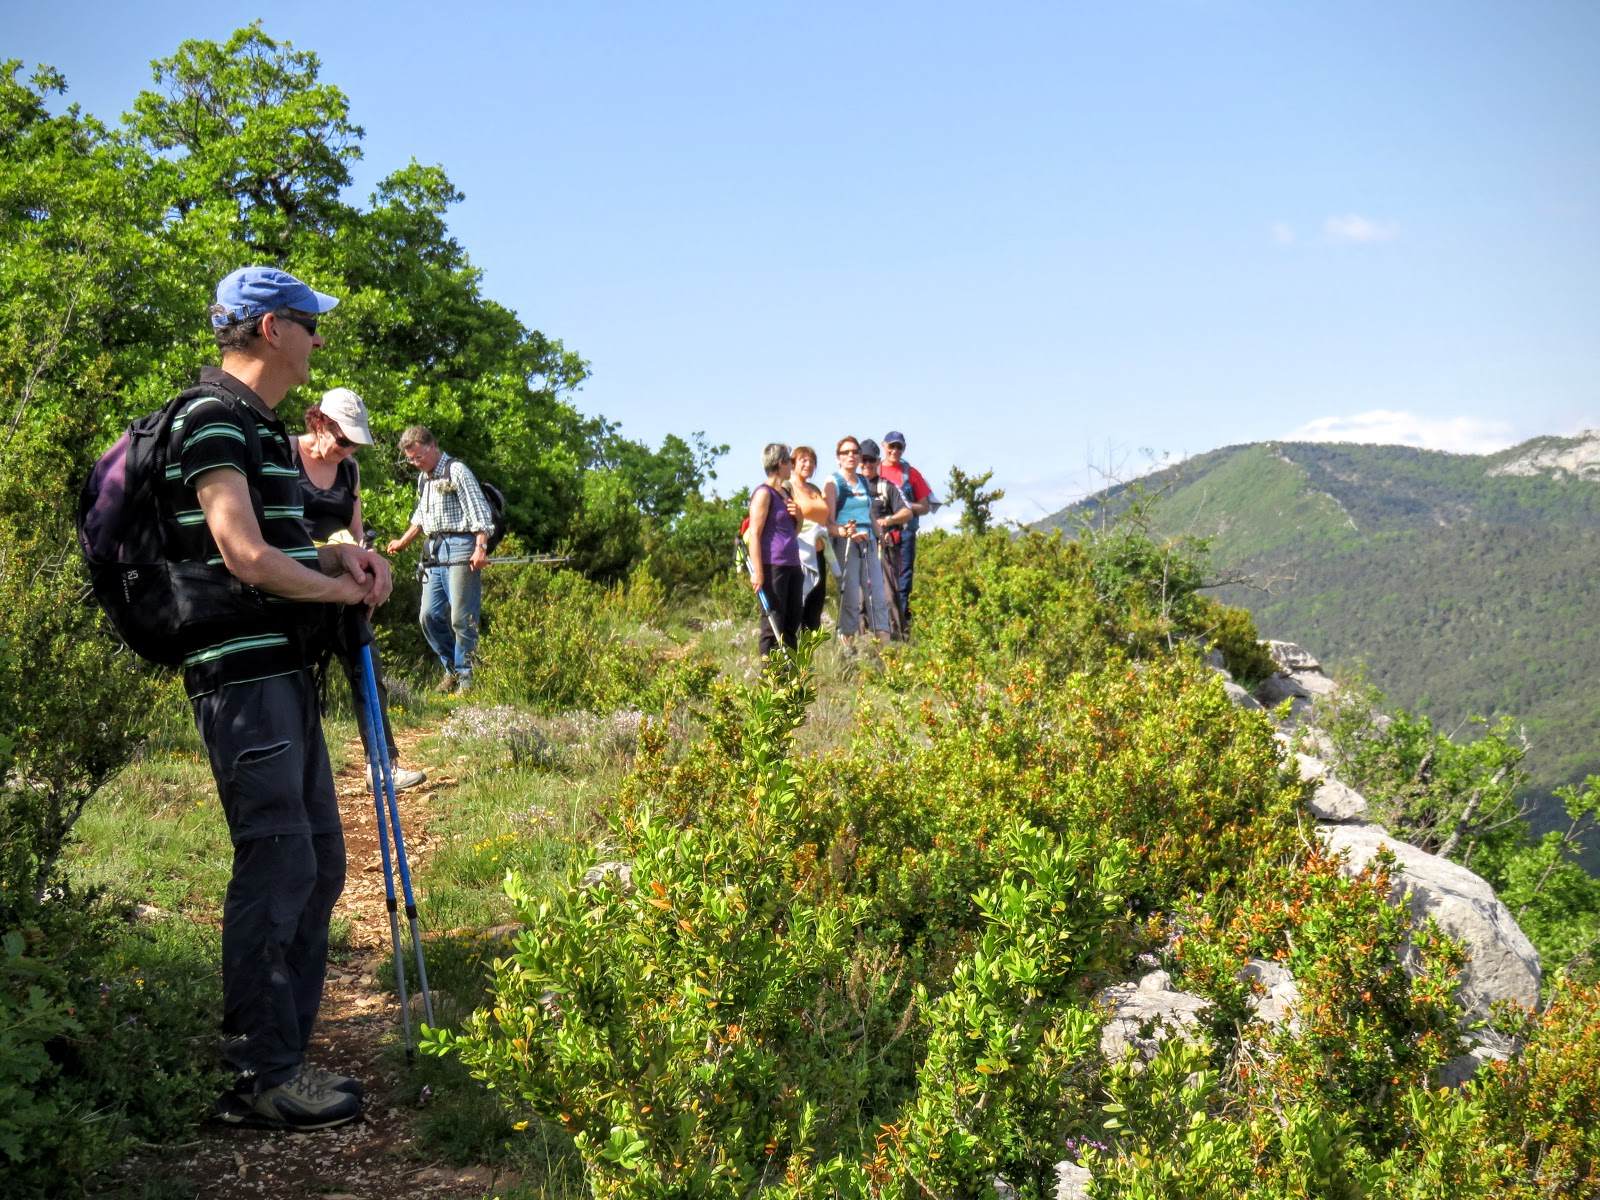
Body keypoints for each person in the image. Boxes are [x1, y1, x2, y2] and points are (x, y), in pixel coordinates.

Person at [175, 267, 392, 1130]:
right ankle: (259, 1076)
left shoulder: (261, 428)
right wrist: (335, 592)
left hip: (285, 670)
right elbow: (242, 553)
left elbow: (285, 546)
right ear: (271, 329)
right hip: (243, 675)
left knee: (321, 862)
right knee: (279, 862)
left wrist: (343, 558)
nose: (317, 338)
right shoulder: (211, 418)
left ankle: (283, 1058)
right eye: (308, 322)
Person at [295, 387, 426, 791]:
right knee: (294, 676)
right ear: (319, 423)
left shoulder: (349, 470)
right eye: (343, 440)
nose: (348, 449)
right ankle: (299, 775)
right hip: (295, 584)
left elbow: (355, 533)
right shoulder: (283, 455)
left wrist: (371, 563)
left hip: (344, 585)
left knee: (365, 662)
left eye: (354, 443)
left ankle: (382, 766)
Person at [385, 428, 496, 693]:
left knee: (461, 617)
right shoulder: (424, 479)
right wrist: (402, 542)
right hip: (433, 550)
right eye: (411, 459)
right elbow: (421, 517)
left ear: (433, 445)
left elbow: (480, 513)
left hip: (461, 546)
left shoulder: (457, 471)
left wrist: (480, 548)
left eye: (419, 456)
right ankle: (453, 670)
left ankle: (467, 681)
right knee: (428, 615)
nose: (416, 463)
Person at [824, 437, 893, 645]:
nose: (851, 456)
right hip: (846, 543)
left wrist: (880, 533)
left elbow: (868, 512)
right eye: (845, 452)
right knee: (851, 598)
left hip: (869, 541)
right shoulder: (833, 482)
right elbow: (828, 522)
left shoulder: (862, 481)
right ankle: (847, 650)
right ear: (838, 457)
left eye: (855, 452)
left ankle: (885, 651)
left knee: (877, 595)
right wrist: (847, 533)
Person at [743, 443, 803, 658]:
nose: (792, 466)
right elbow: (755, 534)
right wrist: (758, 572)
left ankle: (791, 671)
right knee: (773, 623)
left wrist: (799, 516)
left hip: (793, 564)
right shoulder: (763, 494)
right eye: (790, 461)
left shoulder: (786, 493)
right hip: (773, 566)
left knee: (792, 622)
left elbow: (793, 531)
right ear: (780, 464)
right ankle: (770, 673)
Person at [856, 439, 913, 639]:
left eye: (871, 460)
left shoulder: (887, 487)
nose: (866, 464)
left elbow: (907, 512)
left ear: (878, 461)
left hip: (883, 548)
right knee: (859, 598)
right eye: (863, 459)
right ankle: (861, 642)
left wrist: (888, 521)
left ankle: (896, 638)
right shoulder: (849, 487)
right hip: (857, 548)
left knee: (889, 595)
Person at [878, 431, 934, 630]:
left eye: (899, 447)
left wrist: (903, 508)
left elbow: (925, 506)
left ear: (904, 449)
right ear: (883, 446)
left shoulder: (912, 474)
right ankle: (879, 625)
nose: (895, 450)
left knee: (903, 580)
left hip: (904, 533)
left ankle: (900, 626)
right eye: (891, 446)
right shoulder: (874, 471)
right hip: (879, 533)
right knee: (876, 580)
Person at [789, 446, 834, 633]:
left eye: (812, 461)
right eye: (803, 460)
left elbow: (826, 522)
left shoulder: (814, 489)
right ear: (793, 463)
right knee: (799, 601)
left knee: (815, 604)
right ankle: (792, 646)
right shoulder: (787, 487)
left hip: (819, 553)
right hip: (799, 554)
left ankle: (809, 649)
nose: (808, 464)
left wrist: (844, 531)